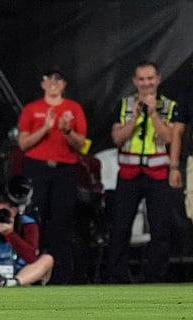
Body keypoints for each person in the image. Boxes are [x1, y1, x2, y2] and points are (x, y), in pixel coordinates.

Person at [106, 61, 176, 283]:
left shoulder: (170, 106)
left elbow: (168, 139)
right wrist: (136, 117)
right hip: (129, 173)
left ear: (158, 79)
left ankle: (155, 277)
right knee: (120, 226)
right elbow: (117, 138)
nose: (146, 83)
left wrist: (153, 113)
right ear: (135, 81)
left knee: (160, 228)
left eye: (150, 78)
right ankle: (117, 276)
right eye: (142, 79)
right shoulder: (124, 105)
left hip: (157, 173)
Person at [17, 69, 87, 284]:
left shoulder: (73, 109)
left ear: (64, 84)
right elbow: (23, 144)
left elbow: (82, 145)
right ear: (43, 84)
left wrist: (66, 131)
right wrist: (45, 128)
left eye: (58, 79)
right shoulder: (32, 109)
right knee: (34, 219)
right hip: (37, 169)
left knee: (61, 222)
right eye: (49, 79)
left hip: (63, 170)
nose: (54, 83)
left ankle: (61, 275)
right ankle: (32, 272)